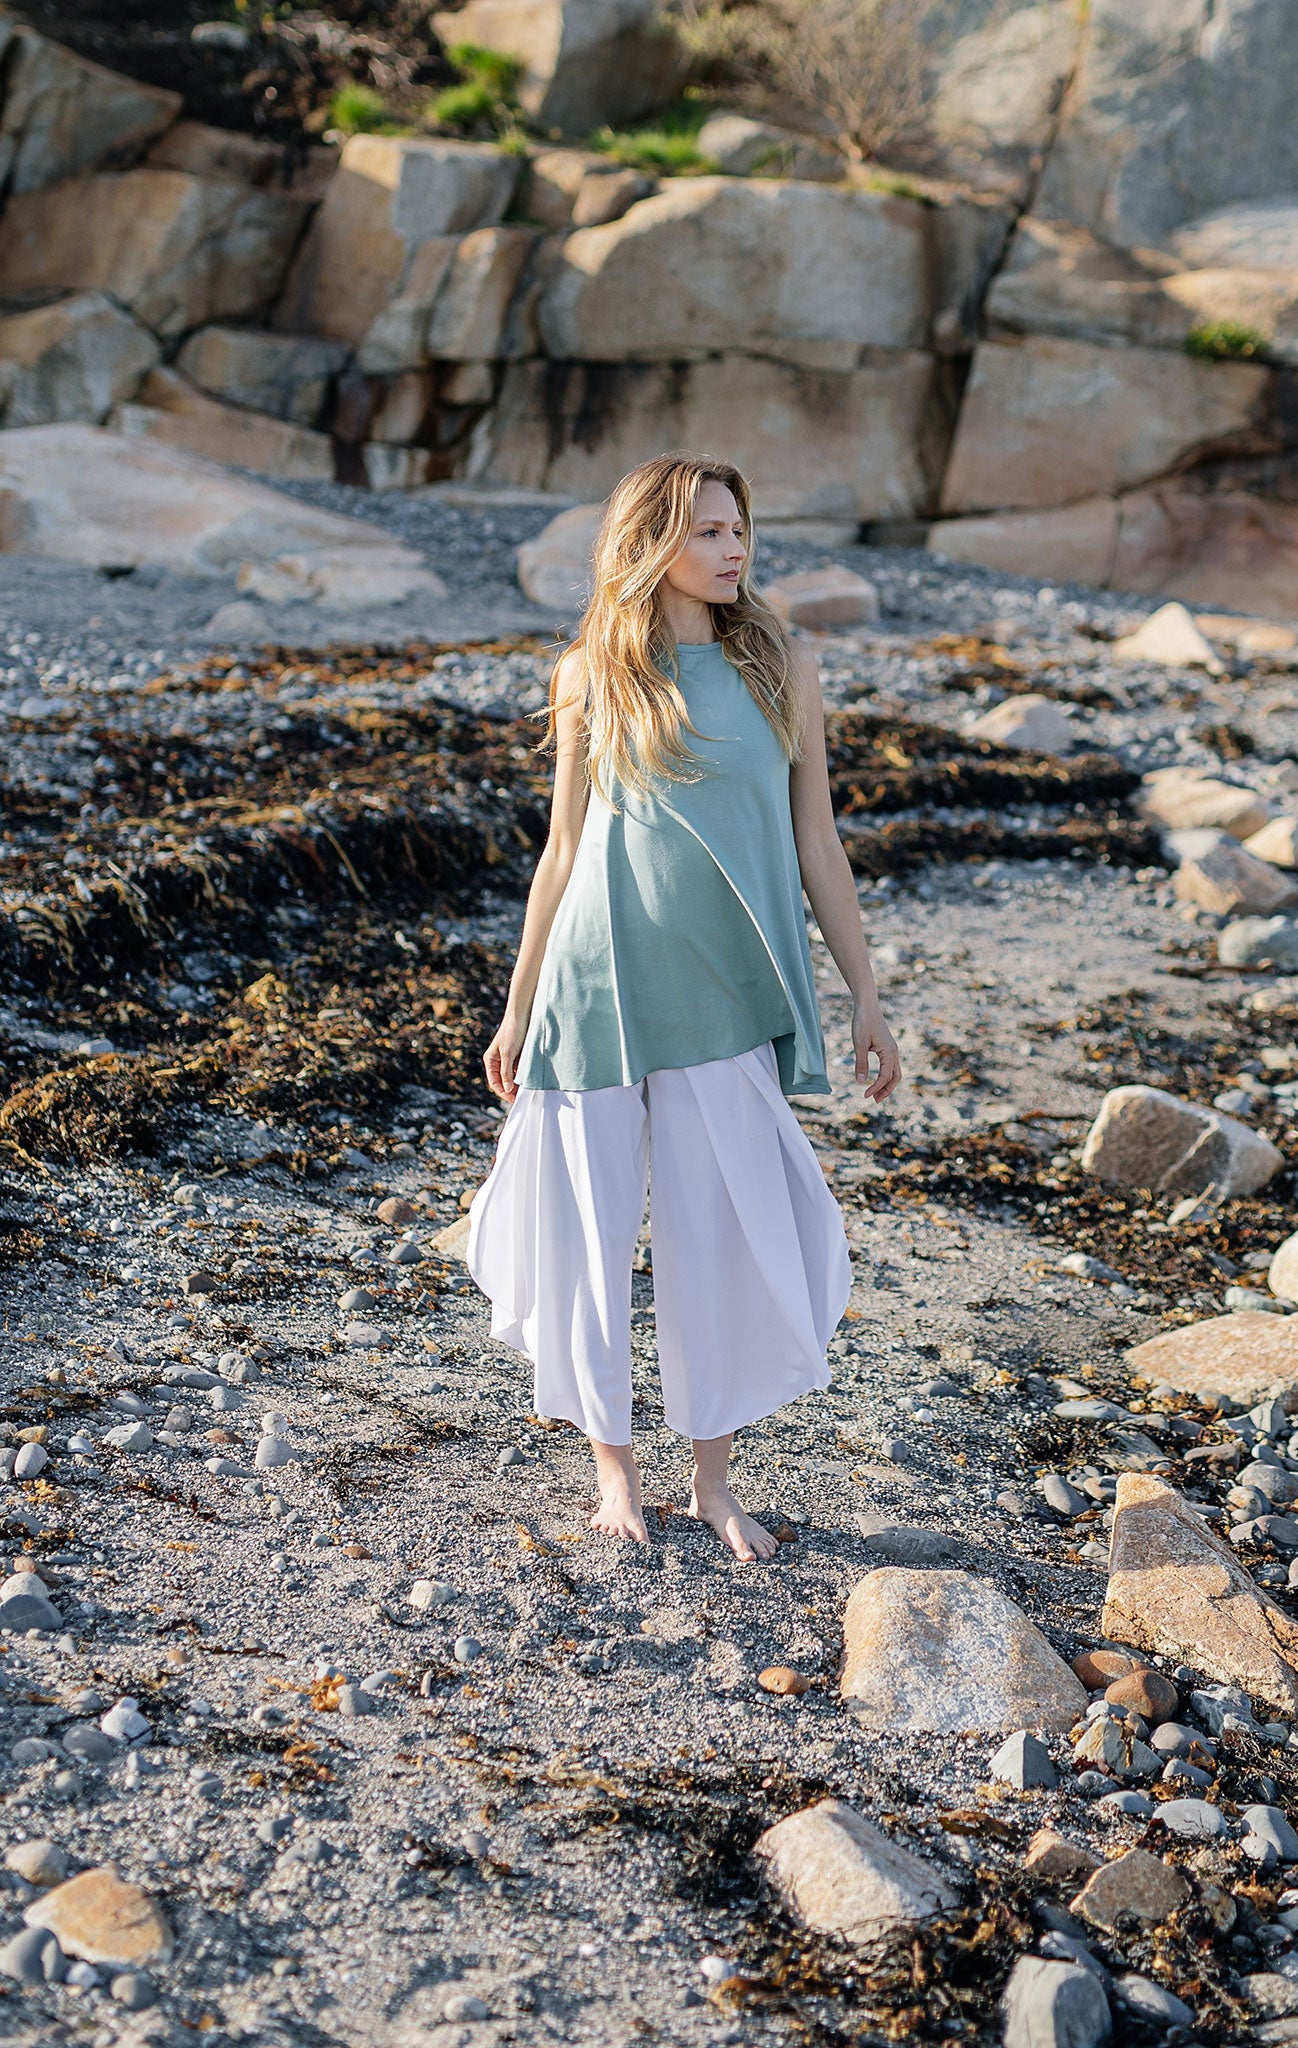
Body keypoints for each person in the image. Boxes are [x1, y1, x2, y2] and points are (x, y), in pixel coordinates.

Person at [466, 451, 901, 1563]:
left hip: (722, 993)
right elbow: (562, 850)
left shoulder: (779, 664)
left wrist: (865, 994)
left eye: (737, 527)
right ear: (653, 542)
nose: (734, 546)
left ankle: (711, 1480)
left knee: (729, 1233)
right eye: (708, 530)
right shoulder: (590, 677)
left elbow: (818, 840)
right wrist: (517, 1007)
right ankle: (615, 1471)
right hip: (595, 988)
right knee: (591, 1238)